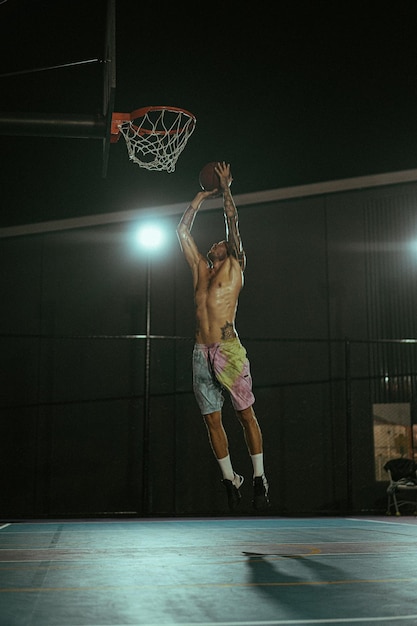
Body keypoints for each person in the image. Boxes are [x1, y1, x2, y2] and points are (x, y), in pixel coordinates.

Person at [176, 161, 270, 512]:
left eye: (221, 243)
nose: (215, 243)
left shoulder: (235, 264)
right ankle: (230, 480)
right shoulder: (201, 269)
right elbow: (182, 233)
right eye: (214, 243)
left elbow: (232, 221)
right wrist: (199, 197)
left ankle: (259, 475)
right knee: (210, 420)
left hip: (228, 349)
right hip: (201, 351)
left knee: (245, 415)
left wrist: (226, 188)